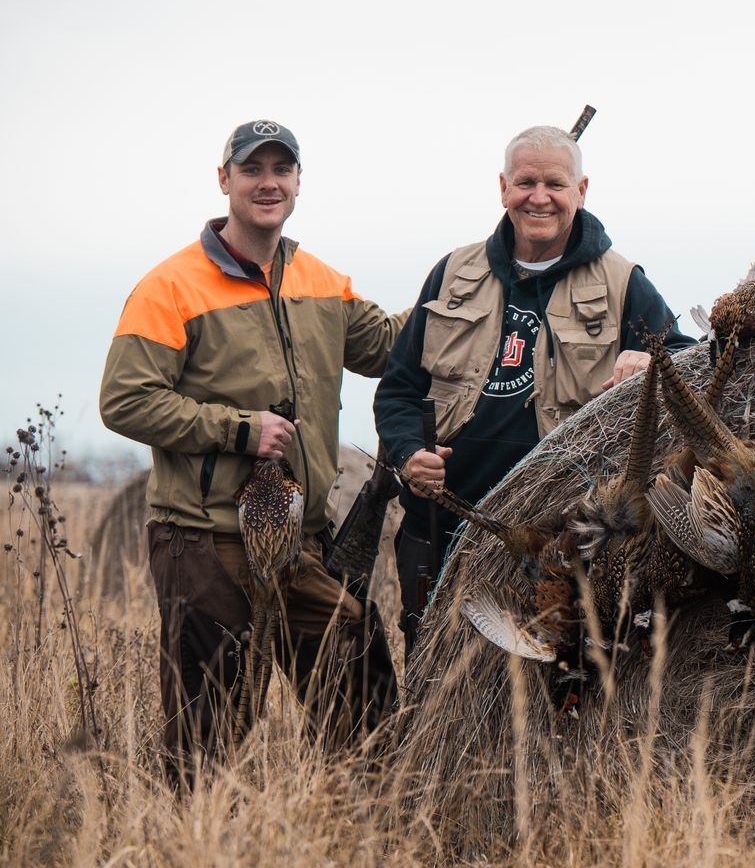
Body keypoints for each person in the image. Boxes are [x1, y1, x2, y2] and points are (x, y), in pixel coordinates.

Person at [100, 120, 404, 779]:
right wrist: (240, 430)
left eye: (281, 169)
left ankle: (365, 835)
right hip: (206, 541)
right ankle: (201, 865)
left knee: (356, 675)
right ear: (225, 180)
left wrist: (469, 287)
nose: (268, 183)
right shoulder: (171, 286)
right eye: (252, 169)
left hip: (300, 538)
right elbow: (124, 400)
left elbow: (389, 348)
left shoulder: (321, 280)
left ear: (297, 181)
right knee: (208, 730)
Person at [374, 125, 693, 652]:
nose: (538, 197)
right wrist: (409, 454)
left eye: (555, 184)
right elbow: (399, 388)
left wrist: (652, 361)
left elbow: (688, 363)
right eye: (525, 182)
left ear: (582, 191)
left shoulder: (622, 281)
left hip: (564, 540)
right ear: (503, 188)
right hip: (444, 521)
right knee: (437, 683)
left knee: (555, 690)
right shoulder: (452, 272)